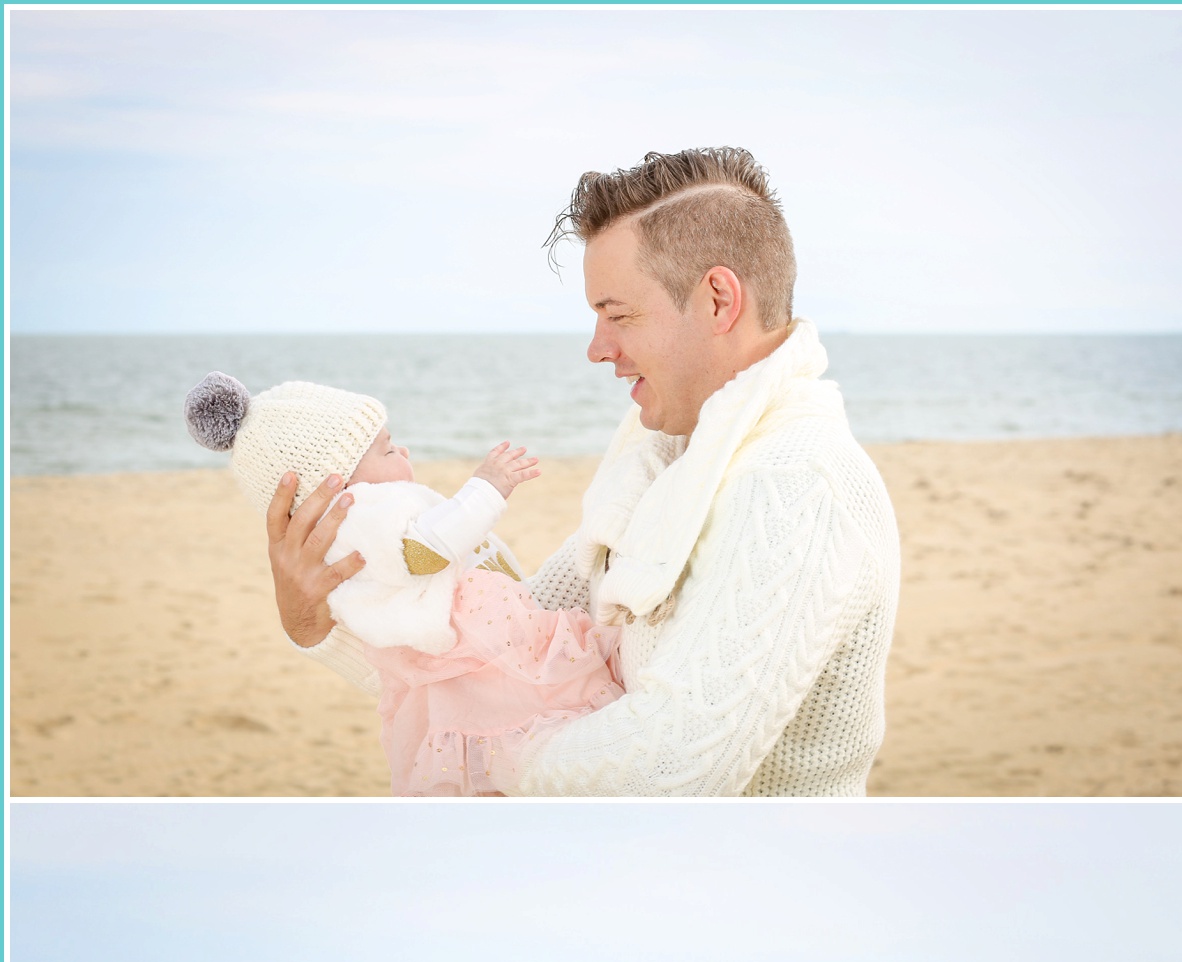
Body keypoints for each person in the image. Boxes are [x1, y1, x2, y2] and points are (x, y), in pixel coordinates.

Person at [266, 147, 901, 799]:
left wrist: (484, 759)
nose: (597, 348)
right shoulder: (666, 457)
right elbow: (485, 660)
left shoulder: (795, 483)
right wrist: (314, 615)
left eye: (618, 314)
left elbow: (671, 765)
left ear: (717, 300)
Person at [184, 374, 620, 795]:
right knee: (531, 712)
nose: (404, 449)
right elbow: (425, 550)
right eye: (388, 448)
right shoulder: (363, 513)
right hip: (478, 652)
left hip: (475, 651)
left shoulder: (362, 521)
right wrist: (487, 487)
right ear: (338, 485)